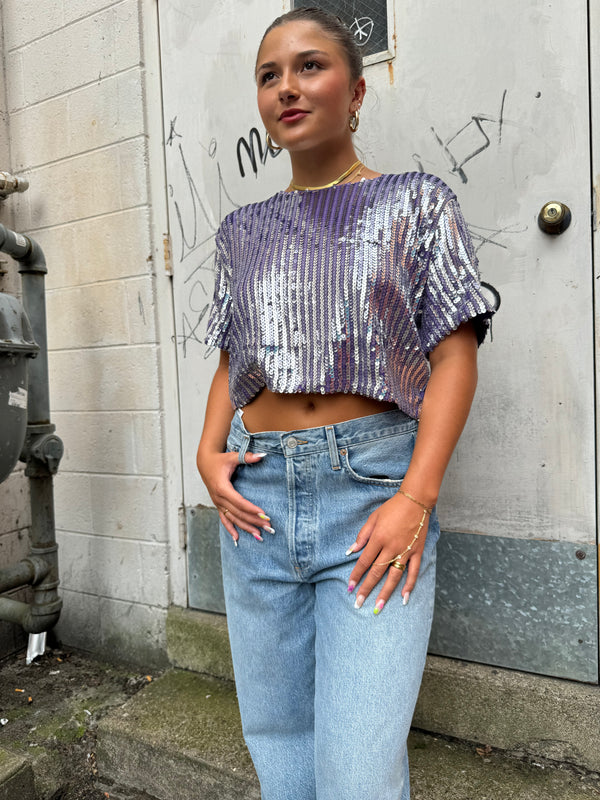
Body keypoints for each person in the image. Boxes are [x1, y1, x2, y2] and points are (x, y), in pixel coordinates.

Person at [196, 7, 495, 799]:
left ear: (356, 90)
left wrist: (416, 497)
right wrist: (206, 449)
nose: (286, 87)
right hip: (255, 501)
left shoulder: (417, 203)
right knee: (279, 745)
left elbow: (453, 357)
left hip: (371, 498)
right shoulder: (242, 231)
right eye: (269, 75)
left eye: (308, 66)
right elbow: (235, 356)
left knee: (359, 770)